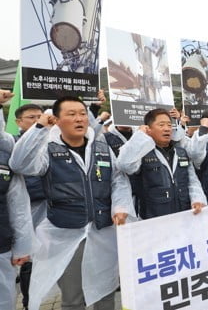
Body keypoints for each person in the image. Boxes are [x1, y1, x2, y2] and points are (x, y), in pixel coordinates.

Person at [9, 96, 134, 310]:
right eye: (71, 114)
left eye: (83, 113)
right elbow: (19, 164)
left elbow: (118, 181)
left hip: (103, 231)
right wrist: (39, 128)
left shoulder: (101, 148)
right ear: (56, 120)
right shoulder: (47, 150)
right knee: (74, 298)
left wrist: (120, 207)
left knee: (104, 293)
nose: (79, 119)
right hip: (67, 234)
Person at [116, 108, 207, 218]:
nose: (167, 129)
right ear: (148, 129)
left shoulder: (181, 152)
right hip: (153, 221)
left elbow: (192, 180)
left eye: (169, 125)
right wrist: (140, 135)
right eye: (161, 125)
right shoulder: (141, 154)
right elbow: (124, 164)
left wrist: (197, 199)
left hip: (183, 216)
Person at [0, 90, 33, 310]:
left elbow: (17, 204)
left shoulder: (6, 150)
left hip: (2, 244)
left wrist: (22, 247)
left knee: (5, 299)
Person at [13, 103, 48, 310]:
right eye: (31, 118)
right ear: (19, 122)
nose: (38, 120)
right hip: (28, 209)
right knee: (29, 259)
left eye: (40, 116)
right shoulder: (16, 144)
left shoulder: (50, 141)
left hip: (51, 207)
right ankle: (29, 302)